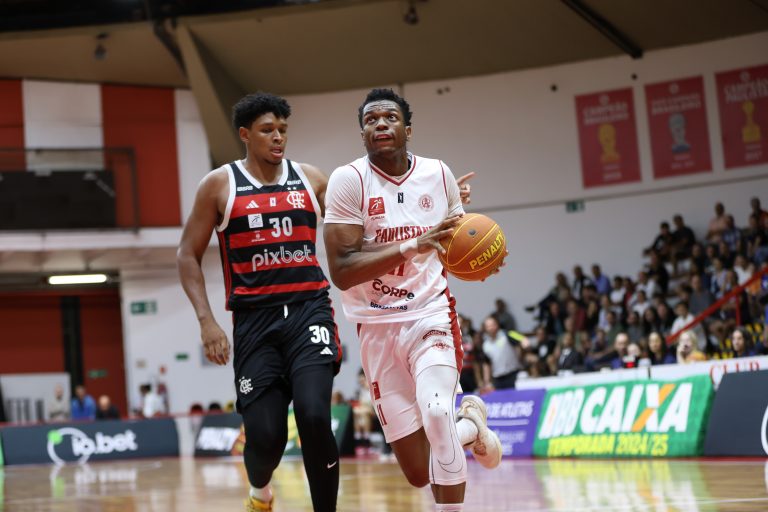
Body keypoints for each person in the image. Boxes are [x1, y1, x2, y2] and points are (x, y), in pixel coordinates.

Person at [323, 88, 502, 511]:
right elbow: (342, 270)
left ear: (408, 128)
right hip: (376, 326)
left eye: (390, 117)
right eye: (371, 120)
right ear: (362, 134)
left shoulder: (438, 174)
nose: (380, 124)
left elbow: (459, 241)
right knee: (419, 471)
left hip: (430, 314)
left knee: (437, 413)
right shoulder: (348, 181)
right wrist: (412, 245)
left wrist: (483, 257)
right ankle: (471, 425)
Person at [177, 93, 343, 512]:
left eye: (283, 129)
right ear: (245, 134)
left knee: (314, 415)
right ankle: (260, 493)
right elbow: (186, 255)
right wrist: (206, 321)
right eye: (268, 130)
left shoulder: (312, 179)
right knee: (267, 439)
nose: (278, 137)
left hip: (309, 310)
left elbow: (358, 226)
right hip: (254, 322)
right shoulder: (219, 185)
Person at [481, 315, 522, 390]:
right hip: (497, 379)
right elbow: (486, 364)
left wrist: (524, 340)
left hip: (513, 375)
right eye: (488, 326)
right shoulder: (485, 345)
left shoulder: (507, 333)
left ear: (497, 325)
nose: (490, 328)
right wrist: (487, 381)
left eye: (492, 325)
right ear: (485, 328)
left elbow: (520, 336)